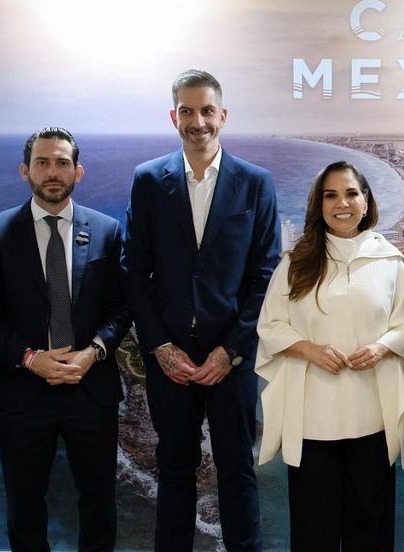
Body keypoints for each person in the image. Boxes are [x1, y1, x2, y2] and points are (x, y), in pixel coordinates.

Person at [123, 69, 280, 551]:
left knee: (237, 469)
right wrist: (160, 347)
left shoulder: (256, 183)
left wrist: (231, 350)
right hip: (169, 357)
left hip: (231, 355)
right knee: (173, 469)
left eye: (207, 110)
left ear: (222, 115)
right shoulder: (149, 180)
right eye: (187, 111)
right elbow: (135, 270)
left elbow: (266, 274)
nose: (198, 121)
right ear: (173, 117)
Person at [0, 127, 131, 551]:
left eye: (62, 162)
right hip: (23, 393)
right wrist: (29, 358)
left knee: (99, 502)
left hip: (90, 389)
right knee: (24, 505)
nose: (53, 172)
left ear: (78, 171)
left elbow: (121, 307)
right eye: (42, 162)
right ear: (25, 171)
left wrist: (93, 352)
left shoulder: (107, 230)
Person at [256, 161, 404, 552]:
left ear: (366, 201)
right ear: (319, 205)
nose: (342, 203)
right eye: (330, 195)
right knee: (313, 533)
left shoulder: (389, 261)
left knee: (371, 530)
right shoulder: (295, 262)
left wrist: (382, 347)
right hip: (312, 420)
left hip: (372, 416)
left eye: (351, 193)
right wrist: (310, 350)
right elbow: (270, 326)